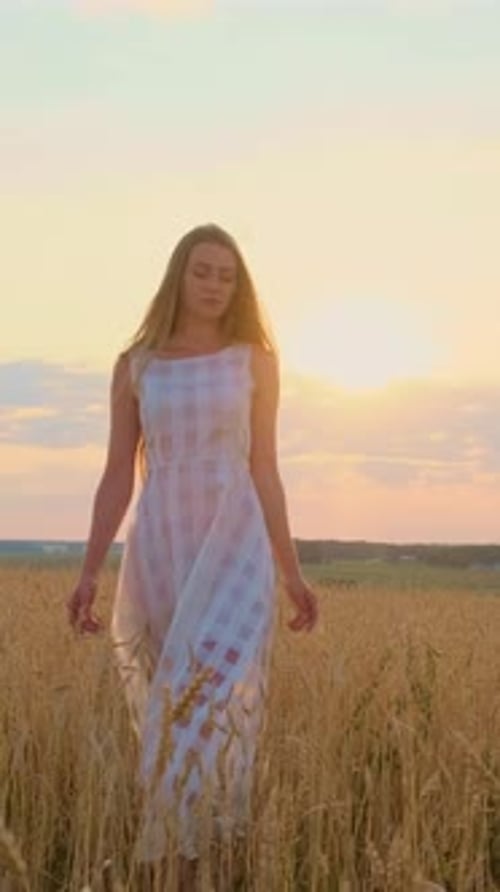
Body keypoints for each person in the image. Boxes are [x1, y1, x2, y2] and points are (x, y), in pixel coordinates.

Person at [67, 222, 318, 881]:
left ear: (240, 288)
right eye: (203, 271)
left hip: (235, 543)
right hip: (160, 545)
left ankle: (209, 850)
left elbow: (265, 466)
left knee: (214, 699)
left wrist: (292, 572)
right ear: (179, 274)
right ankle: (185, 862)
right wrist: (90, 571)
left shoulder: (254, 360)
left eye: (226, 275)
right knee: (169, 701)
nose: (213, 284)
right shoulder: (137, 365)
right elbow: (119, 472)